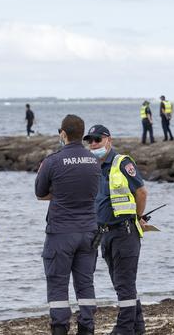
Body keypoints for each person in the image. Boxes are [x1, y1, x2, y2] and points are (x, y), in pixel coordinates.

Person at [34, 115, 101, 335]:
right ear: (82, 134)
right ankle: (87, 327)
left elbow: (40, 192)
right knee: (85, 284)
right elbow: (93, 192)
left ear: (63, 134)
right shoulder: (94, 161)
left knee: (58, 285)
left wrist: (59, 192)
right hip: (89, 232)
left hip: (61, 233)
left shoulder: (53, 161)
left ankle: (61, 328)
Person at [84, 124, 148, 335]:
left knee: (124, 284)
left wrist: (137, 217)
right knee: (122, 283)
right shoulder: (93, 166)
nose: (93, 144)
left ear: (108, 140)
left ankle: (124, 329)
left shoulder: (122, 162)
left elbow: (141, 192)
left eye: (97, 140)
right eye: (90, 140)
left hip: (125, 231)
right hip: (105, 233)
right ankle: (138, 328)